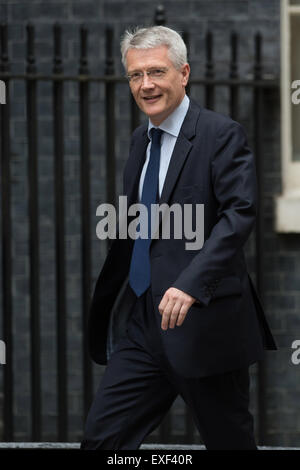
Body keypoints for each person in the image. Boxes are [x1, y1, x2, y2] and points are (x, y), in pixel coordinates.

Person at [81, 25, 276, 450]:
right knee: (102, 441)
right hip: (142, 324)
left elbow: (238, 215)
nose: (145, 85)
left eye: (156, 72)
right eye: (135, 75)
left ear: (183, 73)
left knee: (230, 444)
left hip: (203, 324)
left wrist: (190, 284)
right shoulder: (140, 141)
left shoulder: (220, 134)